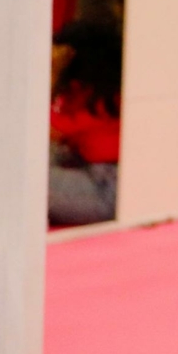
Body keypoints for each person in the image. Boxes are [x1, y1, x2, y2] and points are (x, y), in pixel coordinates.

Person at [49, 18, 124, 228]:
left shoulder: (103, 101)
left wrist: (54, 72)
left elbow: (42, 128)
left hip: (105, 188)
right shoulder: (87, 90)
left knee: (16, 178)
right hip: (91, 169)